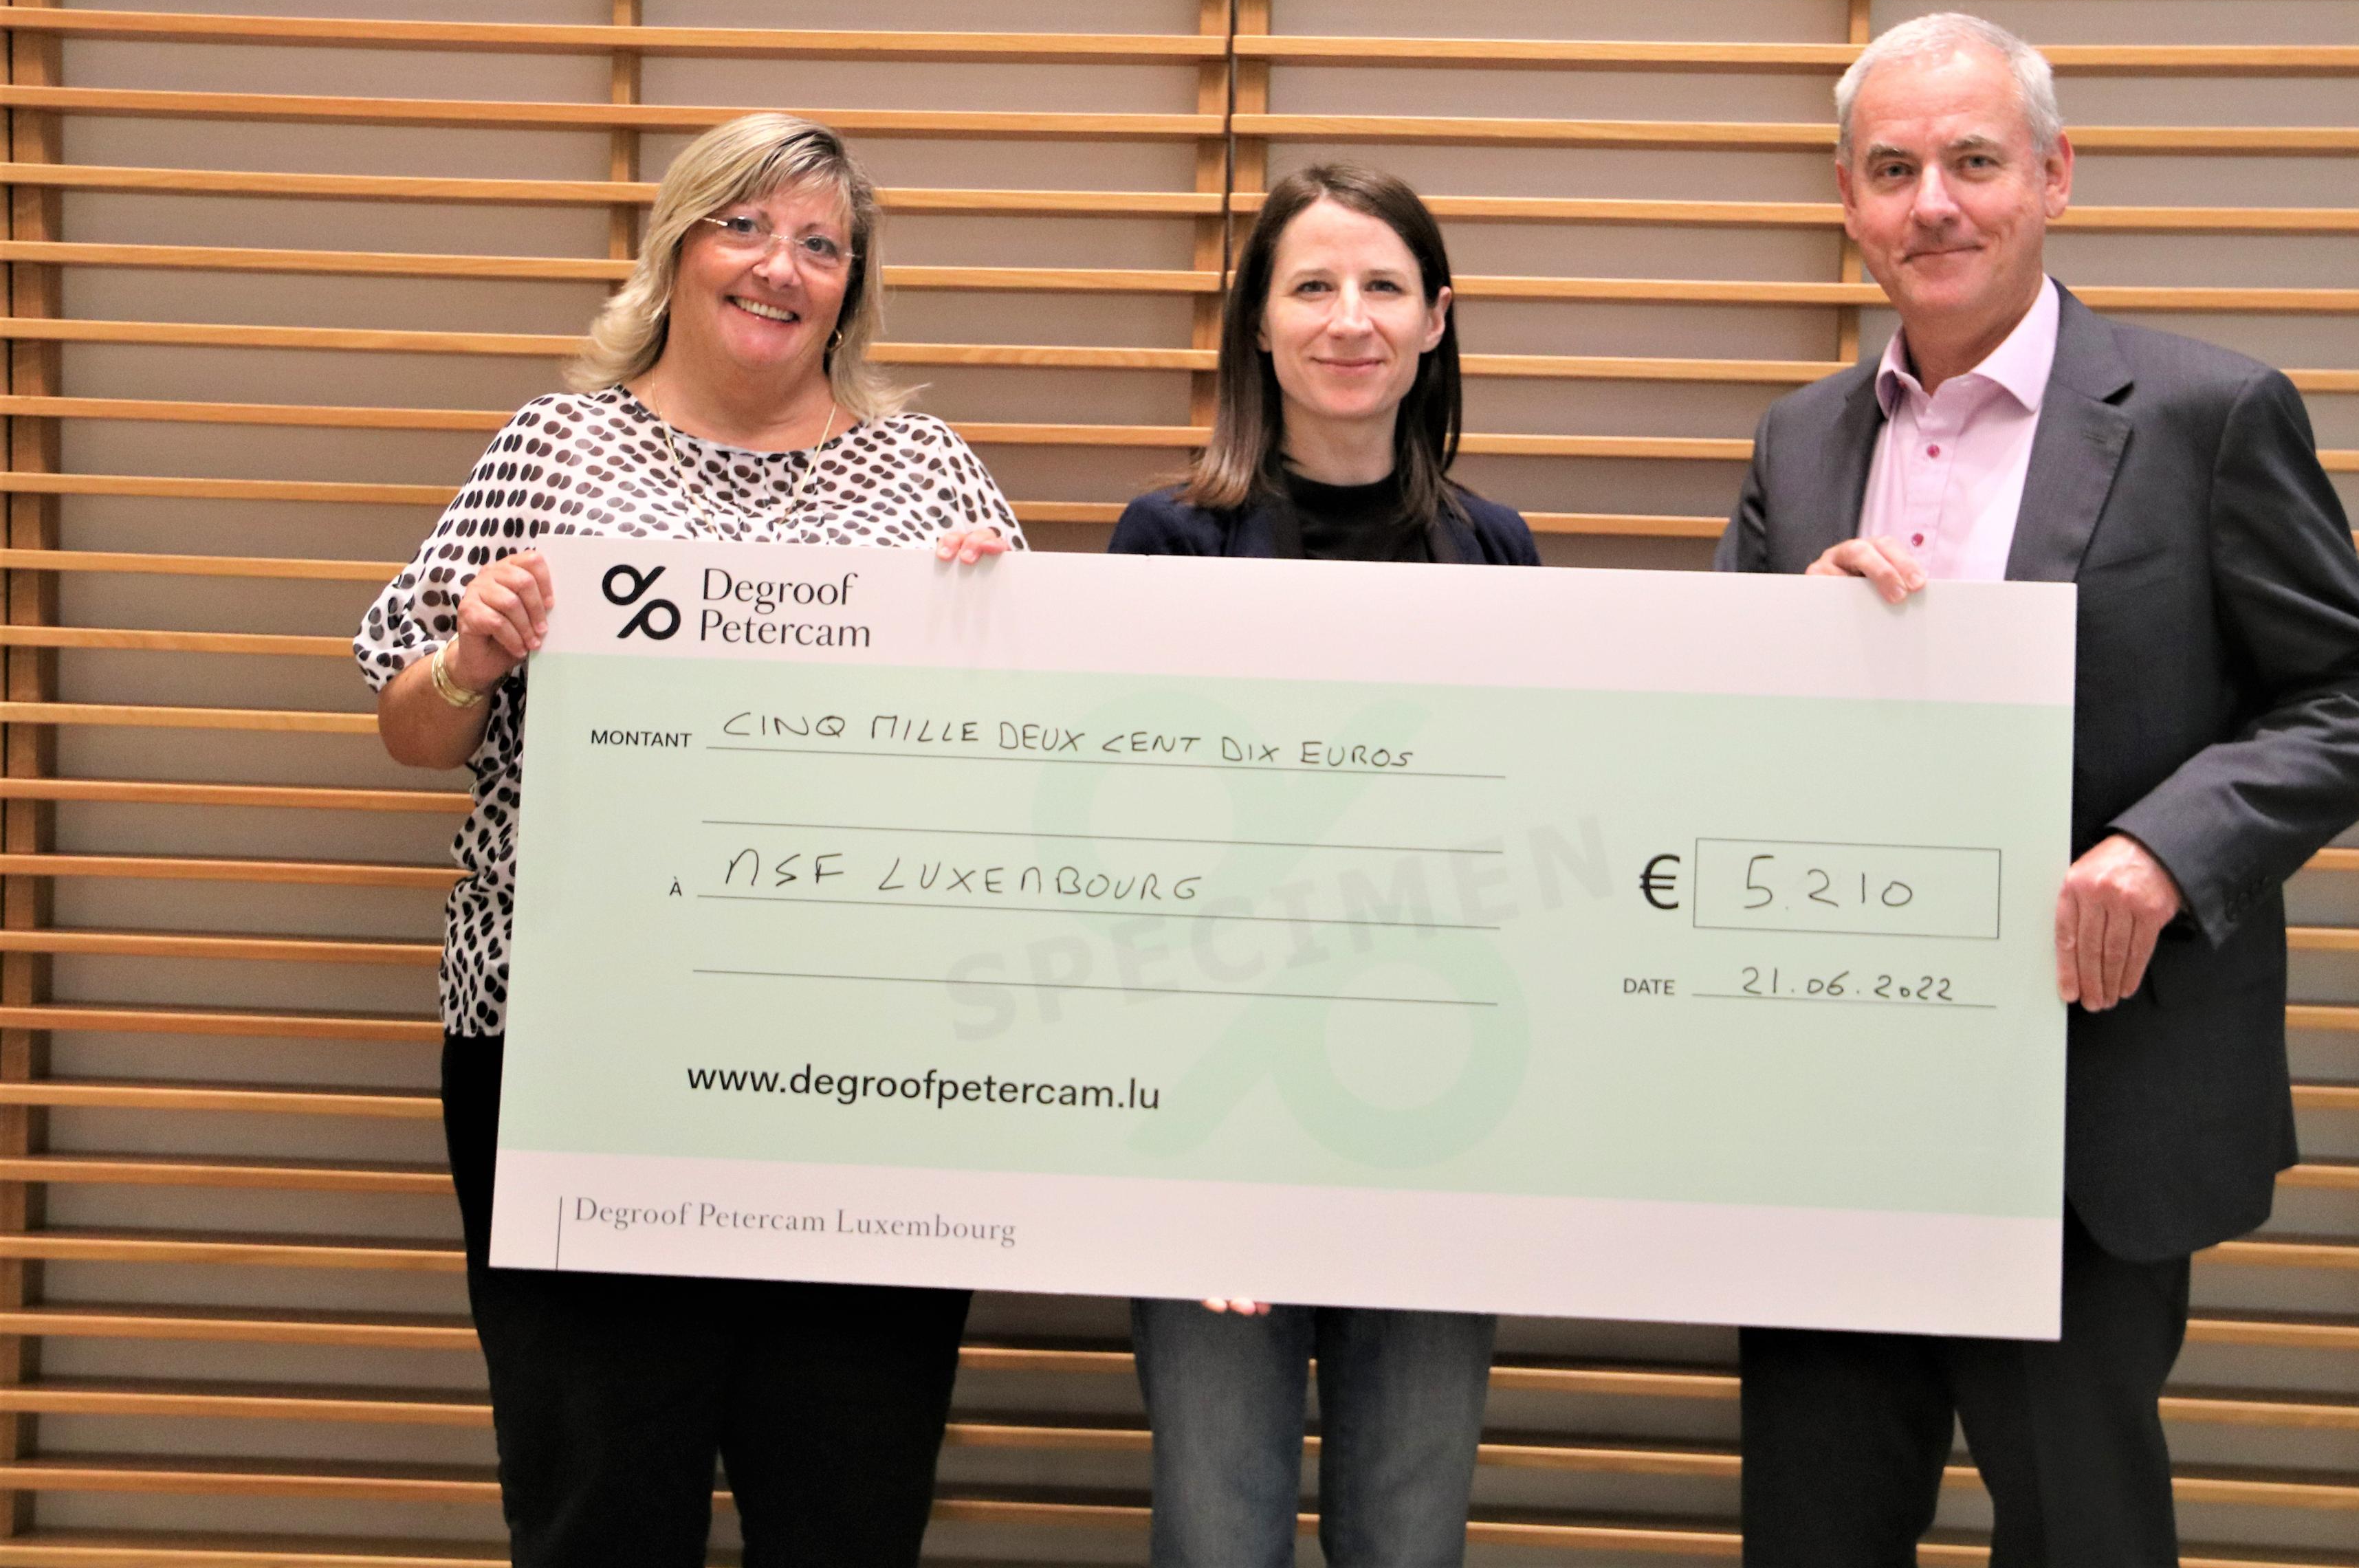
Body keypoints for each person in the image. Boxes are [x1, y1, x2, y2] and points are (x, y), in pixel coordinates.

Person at [1715, 14, 2359, 1566]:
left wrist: (2164, 851)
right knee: (1814, 1530)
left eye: (1974, 162)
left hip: (2086, 1098)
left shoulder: (2207, 414)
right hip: (1832, 1110)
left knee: (2080, 1528)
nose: (1935, 204)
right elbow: (1724, 738)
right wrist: (1788, 639)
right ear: (1847, 200)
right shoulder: (1798, 440)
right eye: (1894, 169)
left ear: (2054, 177)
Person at [358, 112, 1022, 1567]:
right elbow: (410, 720)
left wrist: (993, 627)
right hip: (576, 1057)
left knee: (846, 1510)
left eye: (822, 243)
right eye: (746, 225)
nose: (779, 266)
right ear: (678, 243)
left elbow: (1028, 760)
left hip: (867, 1067)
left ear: (853, 285)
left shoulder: (929, 472)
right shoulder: (557, 444)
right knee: (601, 1506)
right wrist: (471, 655)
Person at [1109, 163, 1535, 1567]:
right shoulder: (1164, 539)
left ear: (1435, 320)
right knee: (1218, 1530)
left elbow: (1526, 843)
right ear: (1258, 323)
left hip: (1437, 1120)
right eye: (1311, 285)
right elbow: (1117, 849)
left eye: (1383, 287)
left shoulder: (1498, 553)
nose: (1348, 318)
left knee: (1409, 1537)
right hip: (1212, 1116)